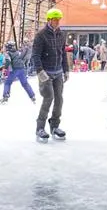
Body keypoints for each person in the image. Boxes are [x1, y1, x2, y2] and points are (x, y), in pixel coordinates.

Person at [31, 8, 69, 142]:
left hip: (58, 72)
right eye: (55, 20)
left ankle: (54, 126)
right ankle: (40, 128)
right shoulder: (41, 35)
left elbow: (63, 53)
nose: (57, 22)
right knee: (49, 98)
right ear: (49, 20)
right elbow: (35, 55)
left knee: (59, 99)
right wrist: (40, 72)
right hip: (46, 73)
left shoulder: (61, 34)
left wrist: (66, 70)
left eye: (59, 20)